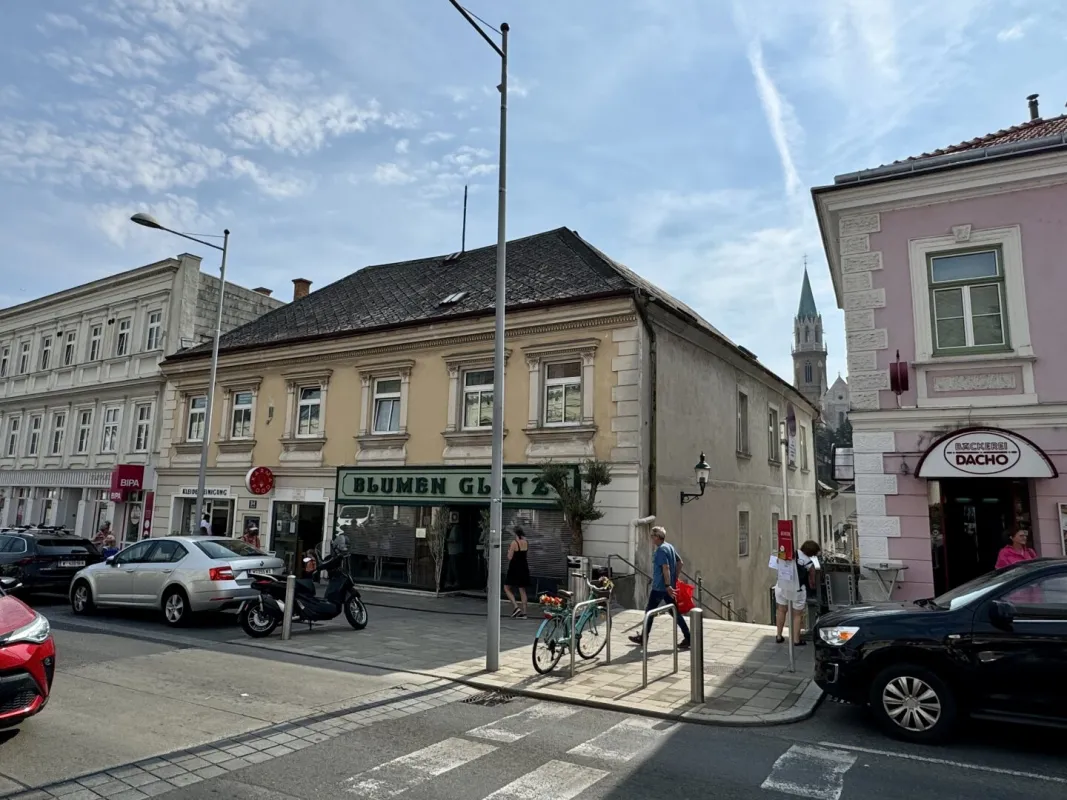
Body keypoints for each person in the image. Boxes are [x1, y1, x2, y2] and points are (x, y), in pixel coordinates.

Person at [629, 526, 691, 650]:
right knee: (674, 612)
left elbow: (665, 567)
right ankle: (688, 637)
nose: (651, 539)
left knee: (649, 612)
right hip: (668, 586)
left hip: (660, 588)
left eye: (652, 536)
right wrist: (674, 578)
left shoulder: (661, 551)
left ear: (657, 537)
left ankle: (643, 638)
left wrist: (668, 584)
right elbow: (680, 563)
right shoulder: (669, 547)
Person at [775, 539, 822, 645]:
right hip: (797, 589)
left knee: (781, 611)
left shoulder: (788, 552)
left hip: (781, 585)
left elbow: (778, 562)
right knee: (797, 614)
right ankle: (796, 640)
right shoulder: (809, 561)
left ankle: (779, 636)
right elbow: (812, 579)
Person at [504, 526, 530, 619]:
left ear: (515, 534)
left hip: (514, 568)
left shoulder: (514, 543)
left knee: (506, 587)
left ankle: (516, 607)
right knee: (522, 590)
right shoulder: (526, 542)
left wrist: (508, 550)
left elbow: (509, 557)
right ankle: (525, 613)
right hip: (524, 567)